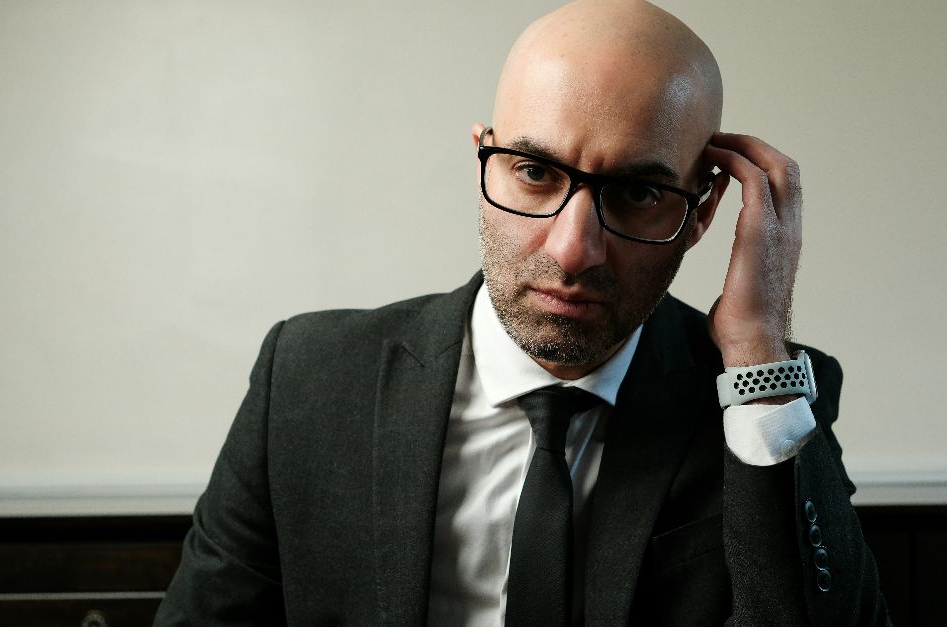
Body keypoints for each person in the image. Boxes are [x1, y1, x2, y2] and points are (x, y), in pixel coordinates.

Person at [154, 1, 891, 625]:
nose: (574, 251)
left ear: (700, 215)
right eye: (536, 173)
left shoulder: (760, 397)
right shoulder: (309, 378)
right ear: (484, 162)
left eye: (636, 192)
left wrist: (759, 345)